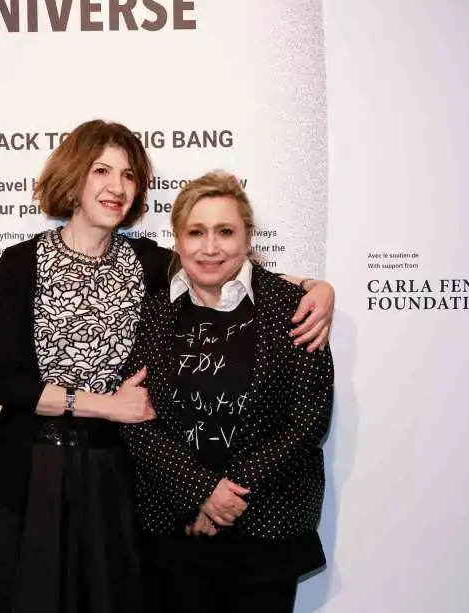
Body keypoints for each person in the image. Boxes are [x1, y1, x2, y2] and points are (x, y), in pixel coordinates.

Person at [0, 121, 334, 613]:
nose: (117, 187)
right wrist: (106, 405)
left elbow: (221, 264)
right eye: (102, 171)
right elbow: (2, 381)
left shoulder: (147, 262)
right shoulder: (21, 262)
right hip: (31, 468)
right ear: (73, 176)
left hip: (115, 472)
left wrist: (315, 289)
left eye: (129, 175)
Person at [121, 171, 334, 613]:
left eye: (225, 231)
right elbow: (134, 416)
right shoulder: (154, 312)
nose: (211, 247)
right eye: (196, 232)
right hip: (175, 528)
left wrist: (228, 494)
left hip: (267, 529)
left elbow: (310, 418)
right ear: (177, 240)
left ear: (248, 237)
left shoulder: (295, 308)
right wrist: (200, 490)